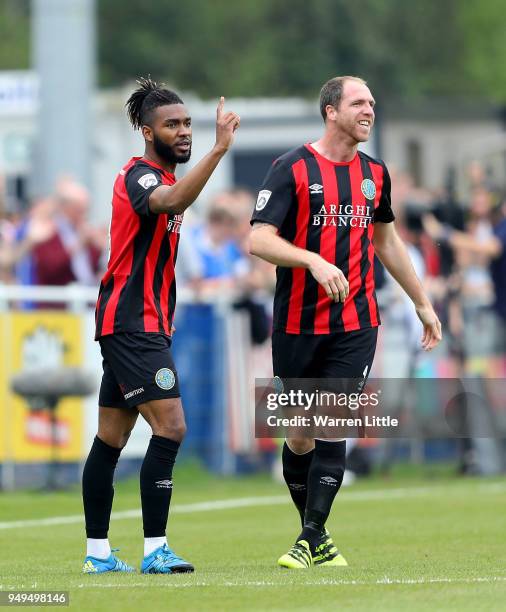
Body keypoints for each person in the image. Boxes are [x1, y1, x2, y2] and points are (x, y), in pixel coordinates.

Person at [249, 75, 441, 569]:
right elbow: (259, 240)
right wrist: (312, 260)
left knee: (333, 424)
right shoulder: (291, 168)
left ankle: (308, 535)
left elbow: (387, 241)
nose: (369, 110)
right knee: (298, 434)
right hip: (295, 323)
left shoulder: (375, 173)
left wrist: (421, 301)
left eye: (372, 103)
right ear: (330, 111)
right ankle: (317, 538)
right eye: (359, 102)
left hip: (356, 320)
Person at [82, 77, 240, 574]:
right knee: (171, 426)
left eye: (188, 124)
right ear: (148, 133)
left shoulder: (166, 178)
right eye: (173, 125)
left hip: (138, 323)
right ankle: (156, 550)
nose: (184, 132)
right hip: (133, 324)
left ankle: (98, 555)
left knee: (111, 436)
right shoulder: (141, 176)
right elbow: (170, 204)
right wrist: (219, 150)